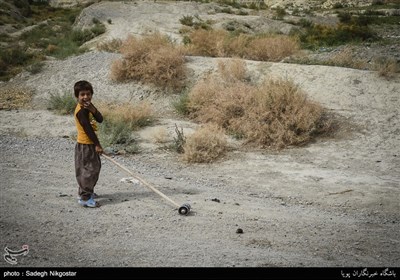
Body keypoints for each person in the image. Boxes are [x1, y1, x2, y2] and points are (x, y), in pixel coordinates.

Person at [73, 80, 104, 208]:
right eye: (82, 94)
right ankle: (85, 197)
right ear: (77, 96)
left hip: (89, 143)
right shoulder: (81, 111)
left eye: (88, 94)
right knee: (89, 170)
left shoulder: (88, 107)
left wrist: (93, 109)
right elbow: (88, 130)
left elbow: (100, 119)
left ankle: (85, 191)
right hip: (86, 144)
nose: (86, 97)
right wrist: (97, 145)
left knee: (91, 168)